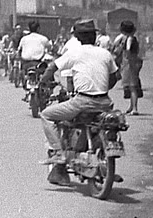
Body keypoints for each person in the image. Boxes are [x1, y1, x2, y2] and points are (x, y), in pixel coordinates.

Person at [38, 19, 120, 186]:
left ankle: (58, 153)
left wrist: (42, 82)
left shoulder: (75, 53)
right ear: (94, 36)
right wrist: (101, 87)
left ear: (78, 38)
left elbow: (52, 67)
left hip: (83, 101)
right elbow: (114, 77)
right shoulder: (105, 53)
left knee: (46, 115)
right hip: (105, 102)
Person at [117, 20, 143, 115]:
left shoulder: (129, 39)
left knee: (132, 87)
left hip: (130, 64)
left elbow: (127, 50)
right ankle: (131, 106)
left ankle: (135, 108)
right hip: (132, 63)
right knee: (131, 86)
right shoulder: (132, 38)